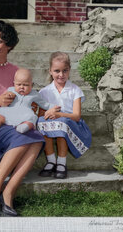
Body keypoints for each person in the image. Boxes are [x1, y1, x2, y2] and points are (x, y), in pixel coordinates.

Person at [0, 20, 47, 217]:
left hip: (16, 122)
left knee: (37, 140)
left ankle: (8, 192)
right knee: (24, 138)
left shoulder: (17, 73)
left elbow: (32, 101)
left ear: (9, 45)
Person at [37, 51, 92, 179]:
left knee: (63, 125)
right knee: (41, 123)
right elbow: (41, 115)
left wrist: (59, 114)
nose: (61, 75)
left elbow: (76, 116)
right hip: (53, 122)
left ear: (69, 70)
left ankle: (62, 163)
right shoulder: (44, 92)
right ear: (50, 71)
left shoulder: (75, 90)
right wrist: (48, 113)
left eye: (65, 71)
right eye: (57, 71)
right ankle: (51, 160)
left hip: (70, 122)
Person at [0, 68, 59, 139]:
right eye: (19, 84)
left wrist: (54, 107)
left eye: (25, 85)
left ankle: (24, 127)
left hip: (24, 114)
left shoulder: (34, 94)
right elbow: (4, 98)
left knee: (32, 118)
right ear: (14, 83)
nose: (22, 87)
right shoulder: (11, 90)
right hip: (10, 112)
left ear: (31, 85)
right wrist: (8, 95)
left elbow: (44, 104)